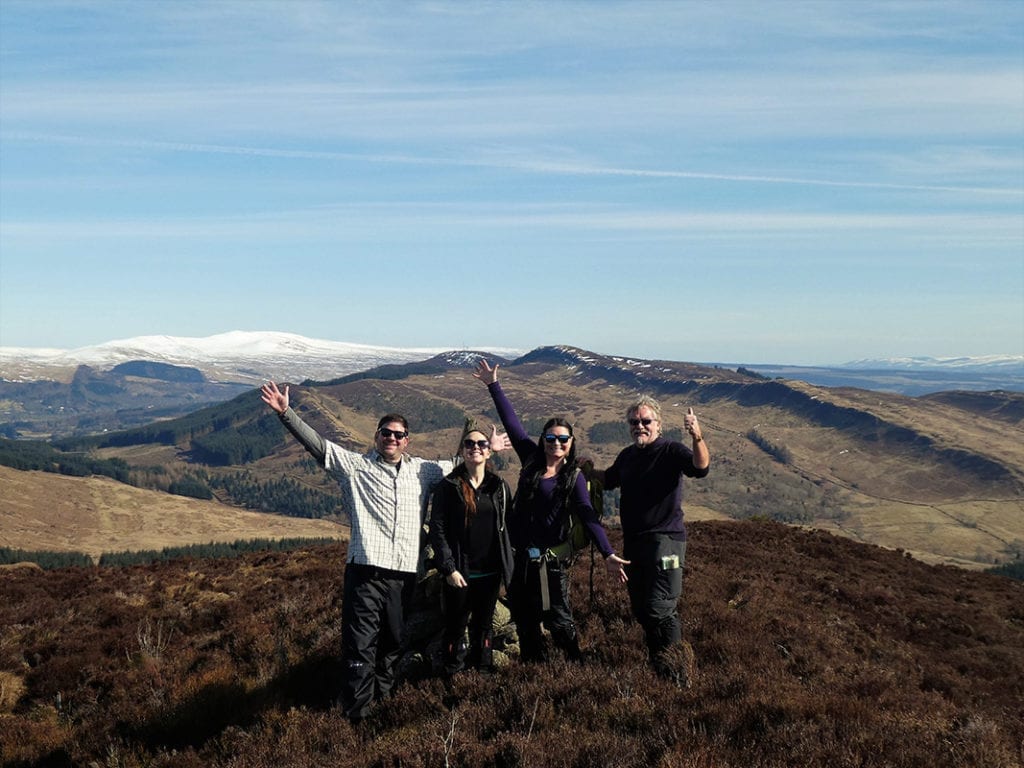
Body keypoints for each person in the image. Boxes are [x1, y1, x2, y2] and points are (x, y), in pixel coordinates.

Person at [259, 381, 507, 722]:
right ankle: (357, 716)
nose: (391, 438)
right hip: (365, 573)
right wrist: (286, 413)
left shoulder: (423, 471)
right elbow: (319, 446)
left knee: (392, 645)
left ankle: (384, 706)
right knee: (360, 647)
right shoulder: (354, 467)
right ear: (377, 437)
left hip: (404, 576)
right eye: (386, 433)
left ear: (407, 441)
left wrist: (490, 447)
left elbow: (461, 462)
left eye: (398, 435)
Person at [473, 360, 629, 663]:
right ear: (543, 440)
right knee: (526, 620)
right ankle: (535, 671)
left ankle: (574, 666)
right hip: (518, 559)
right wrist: (493, 385)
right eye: (550, 438)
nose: (556, 443)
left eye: (562, 439)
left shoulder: (573, 477)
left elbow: (587, 514)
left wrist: (608, 552)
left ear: (570, 444)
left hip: (550, 563)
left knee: (559, 620)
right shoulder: (531, 459)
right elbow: (513, 424)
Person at [598, 395, 710, 684]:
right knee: (642, 609)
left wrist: (697, 436)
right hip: (635, 544)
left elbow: (700, 468)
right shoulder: (627, 456)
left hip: (665, 542)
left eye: (646, 421)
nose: (640, 426)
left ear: (658, 424)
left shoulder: (670, 450)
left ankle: (679, 675)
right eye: (634, 422)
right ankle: (661, 671)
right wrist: (580, 470)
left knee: (660, 609)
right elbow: (607, 480)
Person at [428, 421, 514, 676]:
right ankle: (452, 674)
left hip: (490, 572)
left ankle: (483, 672)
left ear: (489, 451)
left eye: (481, 444)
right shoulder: (449, 487)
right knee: (455, 627)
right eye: (469, 443)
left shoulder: (499, 487)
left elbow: (509, 526)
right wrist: (449, 569)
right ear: (462, 450)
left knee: (484, 626)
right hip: (459, 573)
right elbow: (437, 530)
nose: (475, 447)